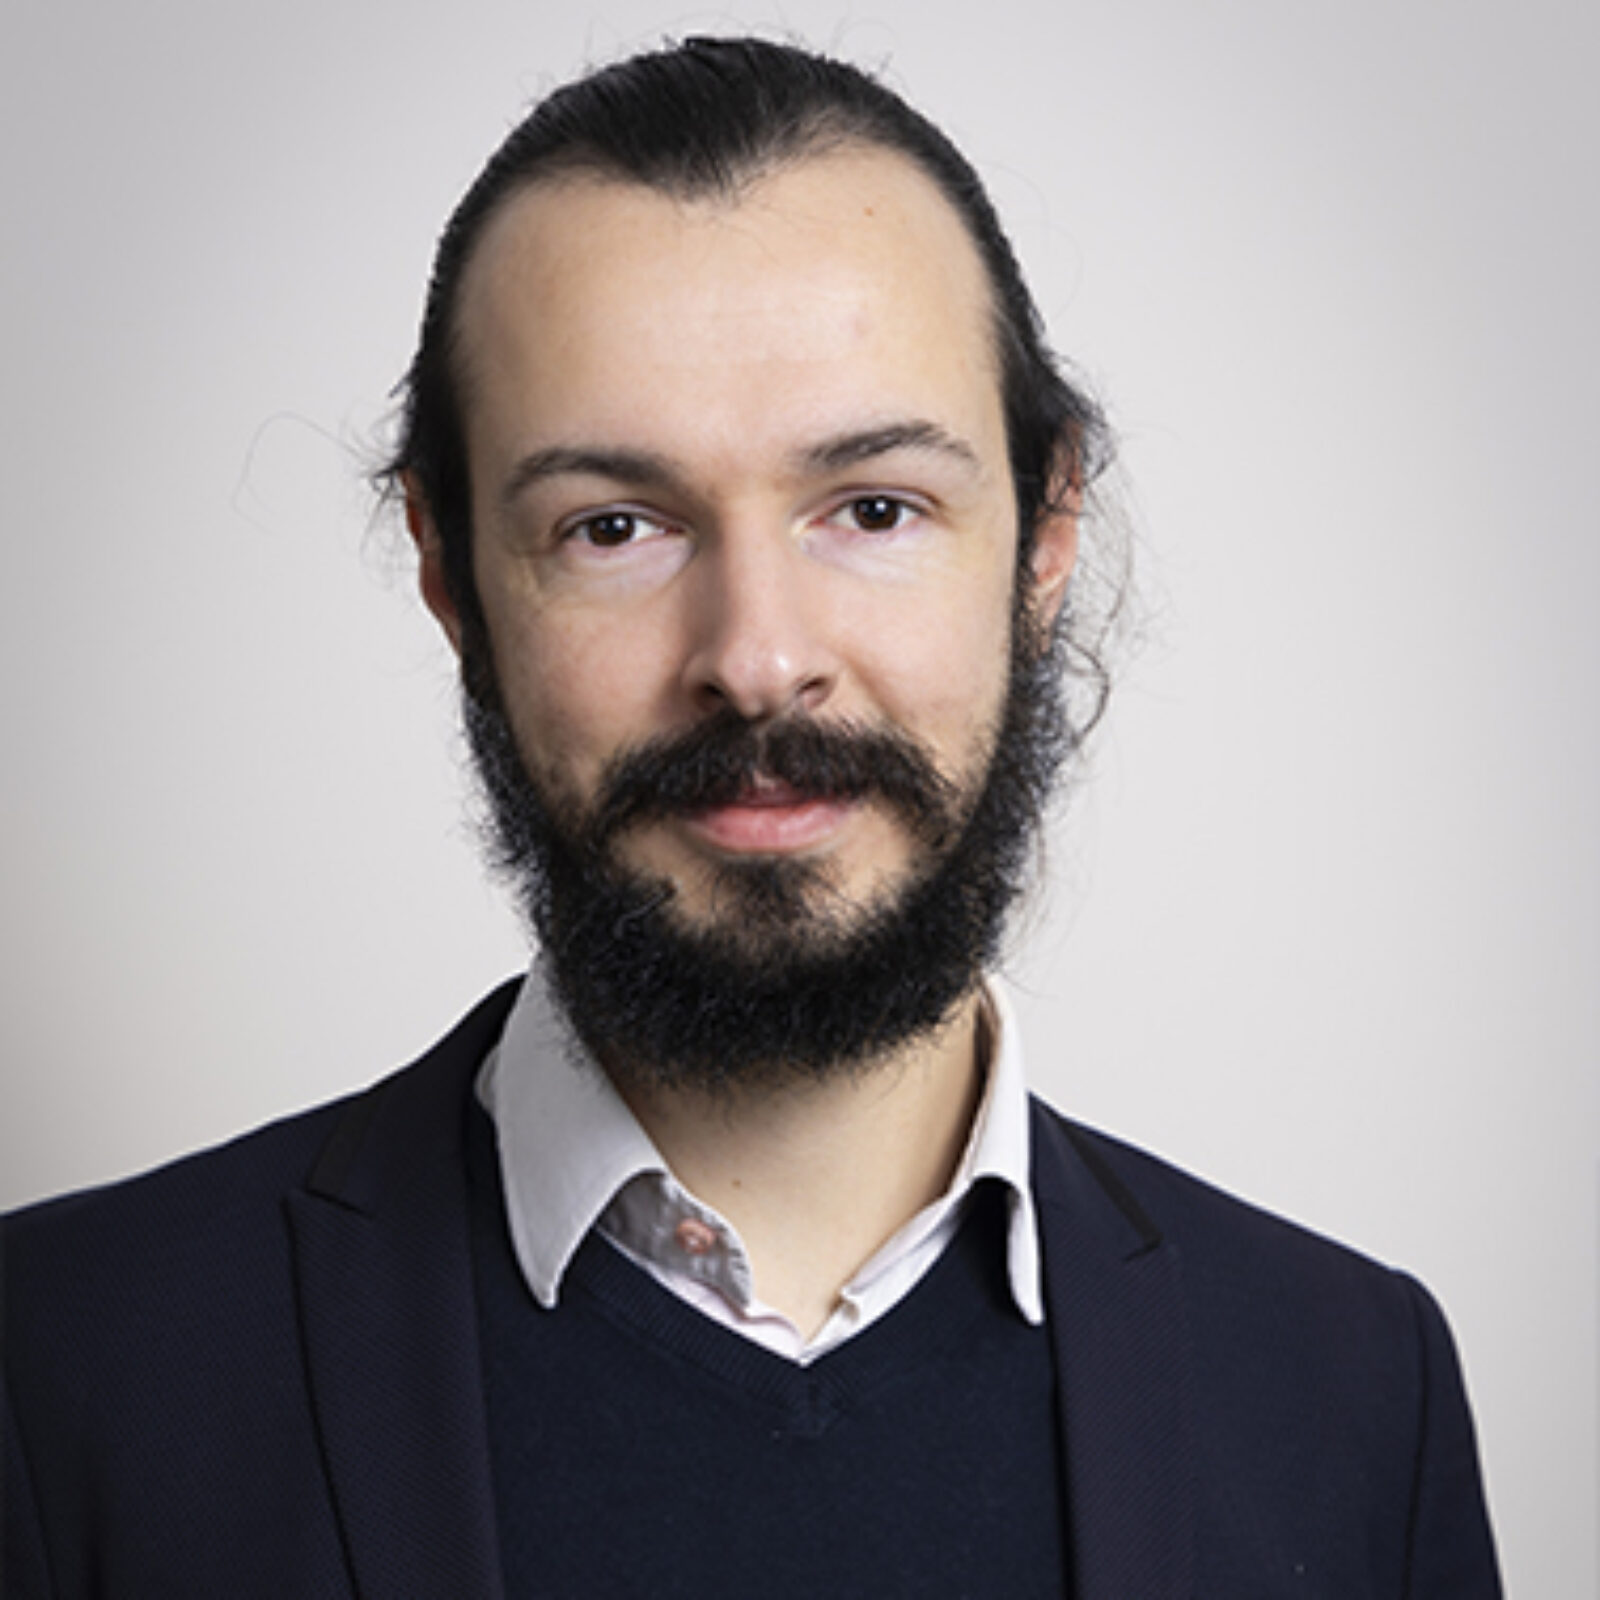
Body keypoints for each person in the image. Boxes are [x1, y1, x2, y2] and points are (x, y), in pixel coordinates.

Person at [2, 36, 1500, 1597]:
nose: (758, 659)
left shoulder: (1354, 1396)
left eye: (874, 508)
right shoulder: (62, 1373)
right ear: (450, 574)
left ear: (1047, 533)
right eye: (614, 527)